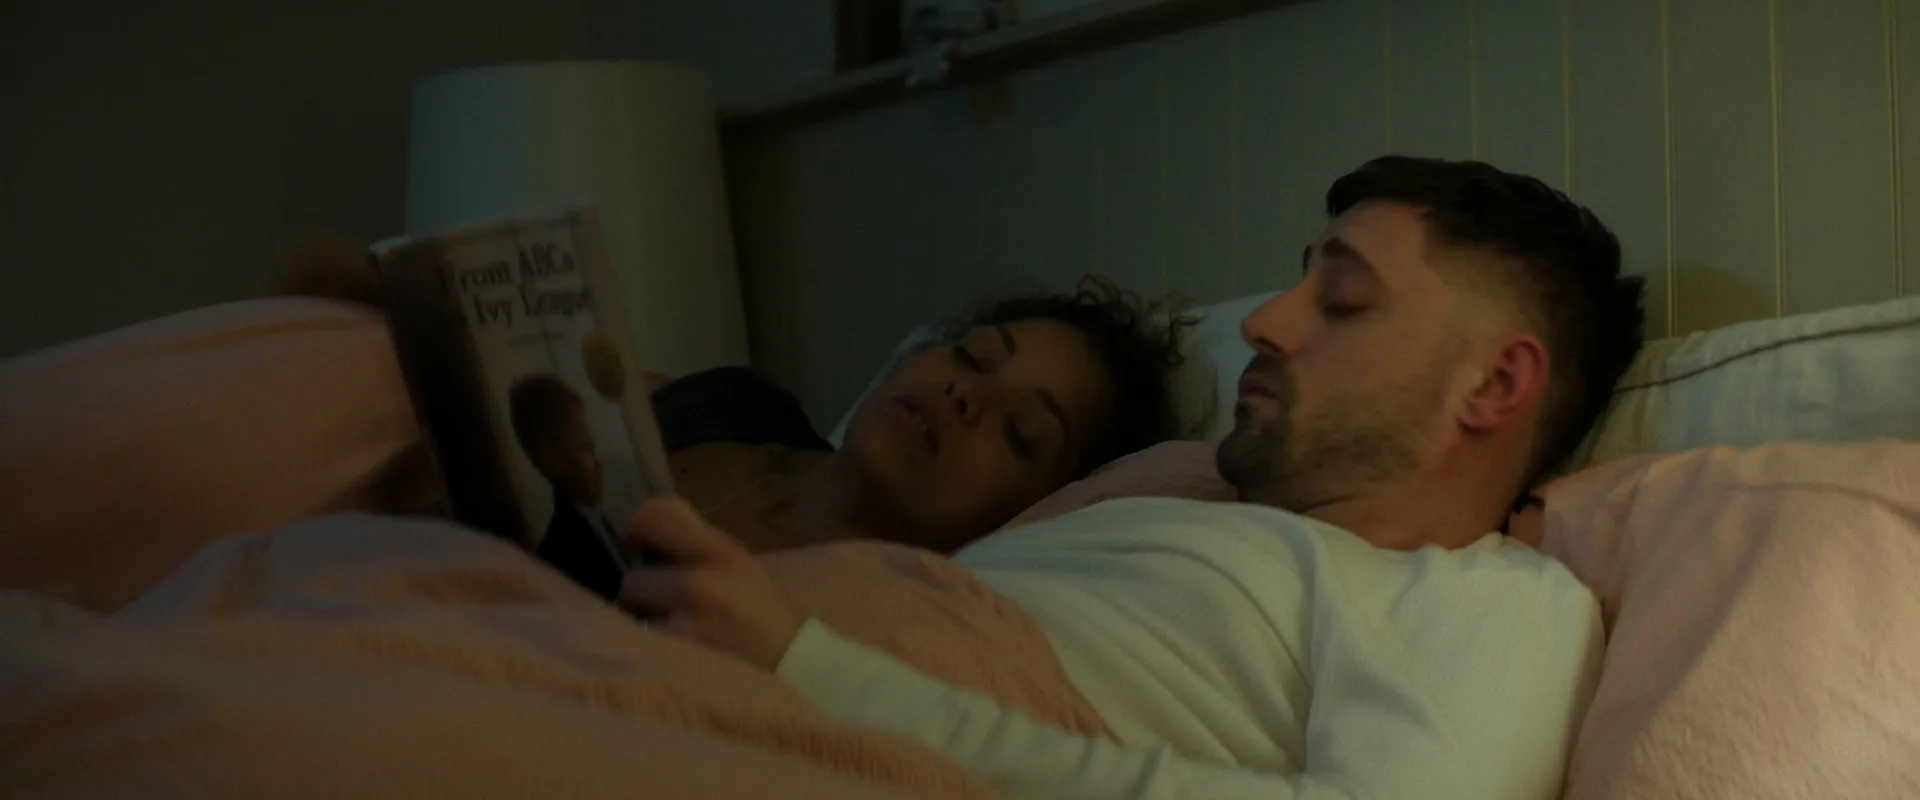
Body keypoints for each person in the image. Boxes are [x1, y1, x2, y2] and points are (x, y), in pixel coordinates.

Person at [618, 156, 1648, 799]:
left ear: (1494, 382)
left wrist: (808, 666)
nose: (1263, 322)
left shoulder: (1488, 600)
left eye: (1340, 299)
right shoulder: (1155, 510)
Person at [646, 275, 1190, 555]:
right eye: (972, 356)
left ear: (1031, 514)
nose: (965, 391)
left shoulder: (837, 626)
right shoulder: (739, 402)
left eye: (1019, 432)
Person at [507, 372, 627, 597]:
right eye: (585, 448)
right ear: (553, 459)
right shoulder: (560, 556)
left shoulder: (601, 523)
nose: (598, 463)